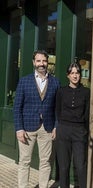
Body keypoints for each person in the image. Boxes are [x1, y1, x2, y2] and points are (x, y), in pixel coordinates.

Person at [13, 50, 60, 188]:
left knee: (45, 162)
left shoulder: (55, 82)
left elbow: (58, 107)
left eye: (44, 61)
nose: (41, 64)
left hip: (47, 128)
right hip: (27, 128)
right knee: (24, 161)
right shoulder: (24, 81)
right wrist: (19, 128)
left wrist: (56, 125)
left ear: (48, 62)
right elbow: (17, 107)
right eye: (38, 61)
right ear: (34, 62)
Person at [56, 62, 89, 188]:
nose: (75, 76)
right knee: (64, 166)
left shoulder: (86, 92)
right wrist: (61, 127)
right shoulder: (61, 92)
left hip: (79, 131)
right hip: (63, 130)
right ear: (68, 75)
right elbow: (57, 110)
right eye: (72, 73)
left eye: (77, 73)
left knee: (80, 166)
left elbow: (86, 113)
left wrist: (84, 131)